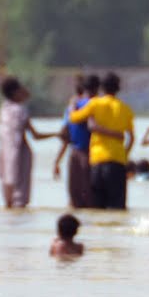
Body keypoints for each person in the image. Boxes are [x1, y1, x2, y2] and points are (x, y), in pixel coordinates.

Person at [67, 72, 135, 209]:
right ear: (118, 89)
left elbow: (74, 118)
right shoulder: (126, 109)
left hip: (97, 159)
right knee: (117, 206)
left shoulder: (95, 104)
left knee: (97, 207)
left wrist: (73, 105)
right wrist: (125, 154)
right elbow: (131, 138)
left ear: (102, 89)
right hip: (117, 160)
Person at [0, 76, 57, 209]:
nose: (25, 90)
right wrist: (57, 134)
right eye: (21, 88)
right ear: (15, 92)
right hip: (20, 154)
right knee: (20, 199)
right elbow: (35, 135)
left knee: (8, 198)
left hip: (5, 154)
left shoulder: (4, 109)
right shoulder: (20, 110)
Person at [52, 74, 99, 208]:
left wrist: (57, 161)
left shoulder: (72, 107)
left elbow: (65, 135)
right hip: (89, 154)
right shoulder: (96, 106)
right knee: (89, 196)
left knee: (74, 197)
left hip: (75, 153)